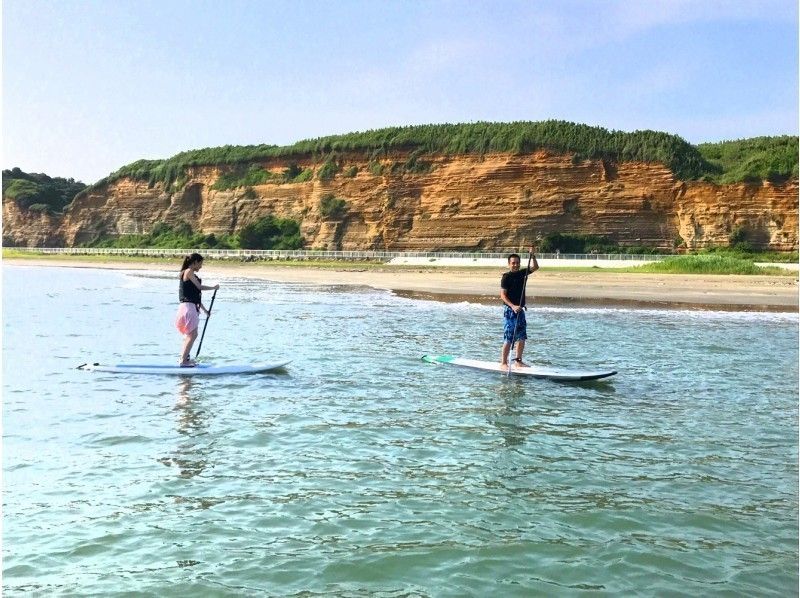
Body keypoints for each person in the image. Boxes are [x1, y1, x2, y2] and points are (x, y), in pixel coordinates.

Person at [175, 253, 219, 367]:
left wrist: (205, 311)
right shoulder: (189, 271)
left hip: (189, 307)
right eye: (200, 264)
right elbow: (199, 288)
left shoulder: (190, 273)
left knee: (190, 334)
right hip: (188, 308)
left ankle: (184, 358)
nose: (201, 266)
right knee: (192, 334)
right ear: (194, 262)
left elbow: (195, 296)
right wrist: (213, 288)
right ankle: (184, 361)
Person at [500, 248, 539, 368]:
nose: (515, 265)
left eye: (517, 262)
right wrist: (512, 306)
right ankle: (504, 363)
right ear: (509, 264)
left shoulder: (522, 273)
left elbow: (535, 267)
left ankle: (518, 361)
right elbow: (502, 295)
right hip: (510, 311)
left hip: (520, 310)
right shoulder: (506, 277)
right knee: (509, 337)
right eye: (513, 263)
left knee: (522, 337)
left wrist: (532, 256)